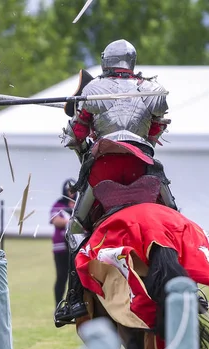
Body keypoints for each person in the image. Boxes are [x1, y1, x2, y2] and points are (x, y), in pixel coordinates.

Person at [54, 39, 179, 326]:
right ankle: (189, 288)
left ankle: (74, 297)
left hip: (105, 170)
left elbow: (78, 131)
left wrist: (73, 128)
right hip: (143, 169)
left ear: (106, 61)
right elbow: (157, 127)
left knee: (75, 227)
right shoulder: (152, 90)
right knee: (173, 217)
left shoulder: (93, 89)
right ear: (132, 62)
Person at [49, 179, 77, 307]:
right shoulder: (59, 204)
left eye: (73, 191)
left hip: (76, 246)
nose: (70, 193)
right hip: (61, 247)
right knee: (61, 277)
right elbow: (55, 220)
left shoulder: (79, 204)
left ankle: (74, 304)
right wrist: (71, 221)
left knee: (76, 278)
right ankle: (58, 304)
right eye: (68, 191)